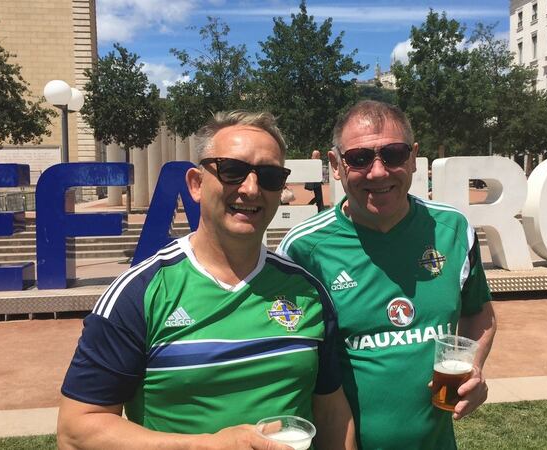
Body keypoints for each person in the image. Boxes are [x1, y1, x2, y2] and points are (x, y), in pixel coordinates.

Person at [58, 111, 356, 450]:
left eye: (270, 176)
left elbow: (332, 412)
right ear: (196, 184)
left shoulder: (307, 291)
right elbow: (76, 430)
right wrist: (205, 445)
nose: (251, 188)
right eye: (232, 170)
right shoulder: (140, 292)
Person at [277, 101, 496, 450]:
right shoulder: (304, 249)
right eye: (360, 158)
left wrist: (473, 367)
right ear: (335, 165)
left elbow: (478, 312)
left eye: (393, 154)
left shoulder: (454, 230)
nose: (378, 172)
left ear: (412, 158)